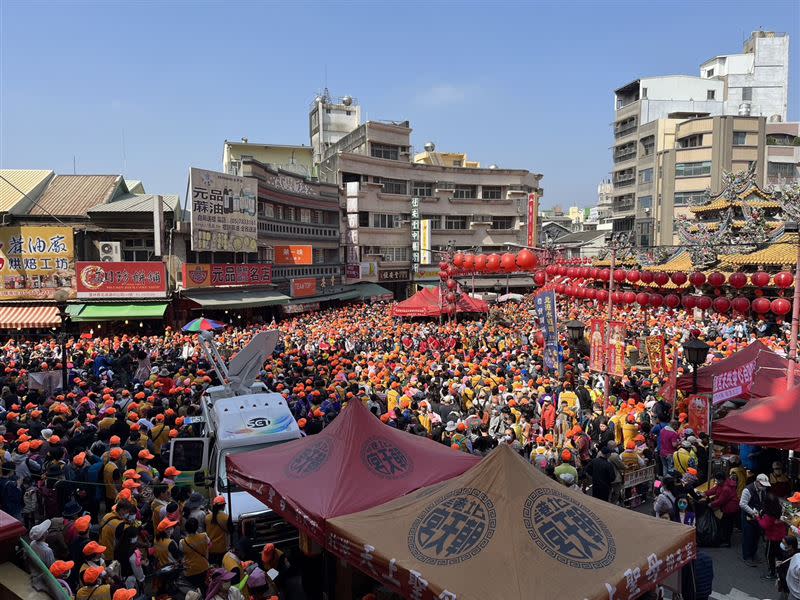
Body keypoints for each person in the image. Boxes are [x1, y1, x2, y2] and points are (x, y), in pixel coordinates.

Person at [740, 473, 770, 566]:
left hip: (758, 517)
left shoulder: (763, 491)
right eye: (762, 485)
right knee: (748, 536)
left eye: (765, 485)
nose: (764, 487)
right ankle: (747, 557)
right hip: (748, 517)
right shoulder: (747, 490)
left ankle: (754, 553)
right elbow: (742, 504)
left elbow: (763, 502)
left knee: (756, 536)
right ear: (757, 482)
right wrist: (752, 512)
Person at [758, 493, 789, 580]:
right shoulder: (779, 508)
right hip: (781, 535)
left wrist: (758, 518)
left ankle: (772, 573)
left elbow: (764, 525)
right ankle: (781, 569)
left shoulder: (770, 515)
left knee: (769, 555)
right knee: (779, 554)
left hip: (772, 537)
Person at [705, 471, 738, 547]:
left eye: (717, 480)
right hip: (728, 508)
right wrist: (705, 493)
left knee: (727, 525)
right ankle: (725, 539)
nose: (717, 481)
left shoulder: (726, 488)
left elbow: (721, 500)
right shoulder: (724, 484)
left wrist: (711, 504)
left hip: (730, 509)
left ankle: (727, 542)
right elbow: (714, 489)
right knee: (725, 524)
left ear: (722, 480)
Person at [181, 517, 211, 591]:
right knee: (205, 588)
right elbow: (209, 545)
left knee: (193, 591)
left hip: (190, 570)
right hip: (204, 567)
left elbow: (182, 553)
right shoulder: (204, 536)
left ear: (186, 528)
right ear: (197, 527)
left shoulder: (182, 542)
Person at [206, 496, 231, 566]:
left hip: (210, 549)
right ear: (223, 506)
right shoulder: (226, 517)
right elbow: (231, 530)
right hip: (222, 549)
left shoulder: (207, 517)